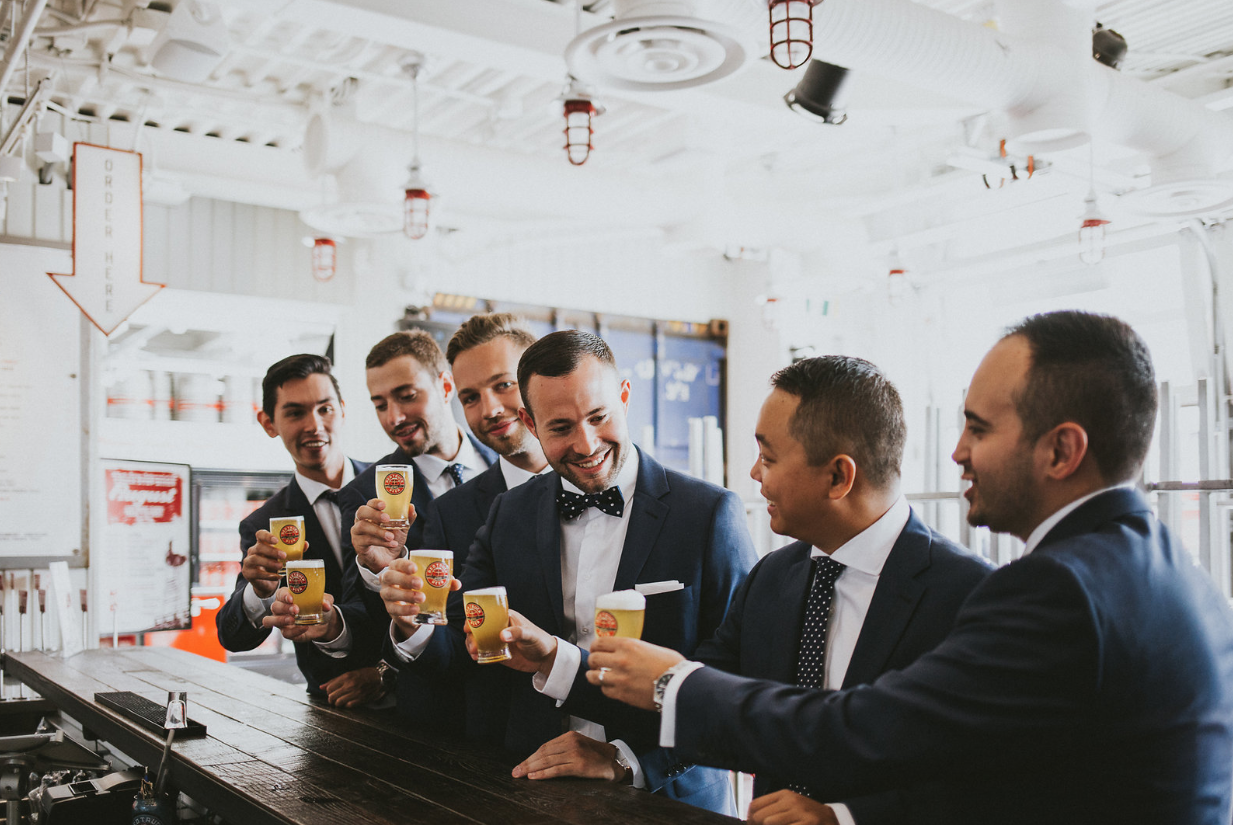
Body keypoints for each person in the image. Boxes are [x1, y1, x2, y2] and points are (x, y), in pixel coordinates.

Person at [587, 311, 1233, 825]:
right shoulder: (1173, 568)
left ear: (1061, 449)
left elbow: (864, 728)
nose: (956, 452)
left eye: (978, 429)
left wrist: (676, 682)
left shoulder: (1053, 588)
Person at [508, 355, 992, 825]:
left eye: (768, 456)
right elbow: (697, 699)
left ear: (839, 476)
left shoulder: (972, 597)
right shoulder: (772, 578)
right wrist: (565, 673)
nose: (755, 474)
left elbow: (986, 779)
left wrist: (844, 818)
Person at [380, 330, 757, 814]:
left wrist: (627, 760)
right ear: (529, 424)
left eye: (599, 417)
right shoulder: (506, 515)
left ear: (624, 395)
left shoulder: (709, 514)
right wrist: (412, 622)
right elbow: (467, 645)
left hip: (671, 798)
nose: (587, 443)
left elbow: (734, 681)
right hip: (532, 790)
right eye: (560, 428)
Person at [265, 330, 497, 697]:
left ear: (446, 385)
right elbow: (367, 619)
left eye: (407, 396)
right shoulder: (362, 492)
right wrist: (377, 569)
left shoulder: (504, 461)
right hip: (434, 698)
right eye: (380, 404)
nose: (395, 417)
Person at [349, 313, 550, 727]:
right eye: (471, 397)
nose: (490, 409)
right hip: (498, 733)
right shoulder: (448, 510)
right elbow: (449, 639)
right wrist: (406, 619)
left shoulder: (601, 484)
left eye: (503, 385)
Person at [215, 354, 379, 706]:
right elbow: (232, 637)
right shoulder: (264, 524)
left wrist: (384, 674)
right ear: (268, 423)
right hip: (333, 714)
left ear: (343, 409)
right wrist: (259, 592)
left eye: (325, 408)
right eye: (295, 413)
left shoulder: (392, 489)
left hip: (421, 700)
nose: (315, 425)